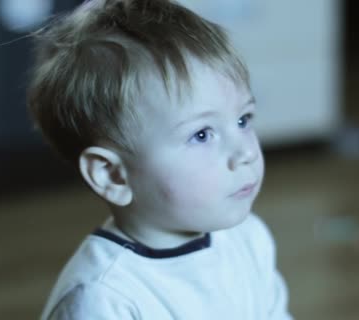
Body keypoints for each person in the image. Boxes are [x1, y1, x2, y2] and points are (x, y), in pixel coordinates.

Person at [27, 0, 292, 318]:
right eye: (202, 135)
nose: (246, 153)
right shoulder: (103, 300)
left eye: (243, 120)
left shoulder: (249, 238)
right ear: (113, 175)